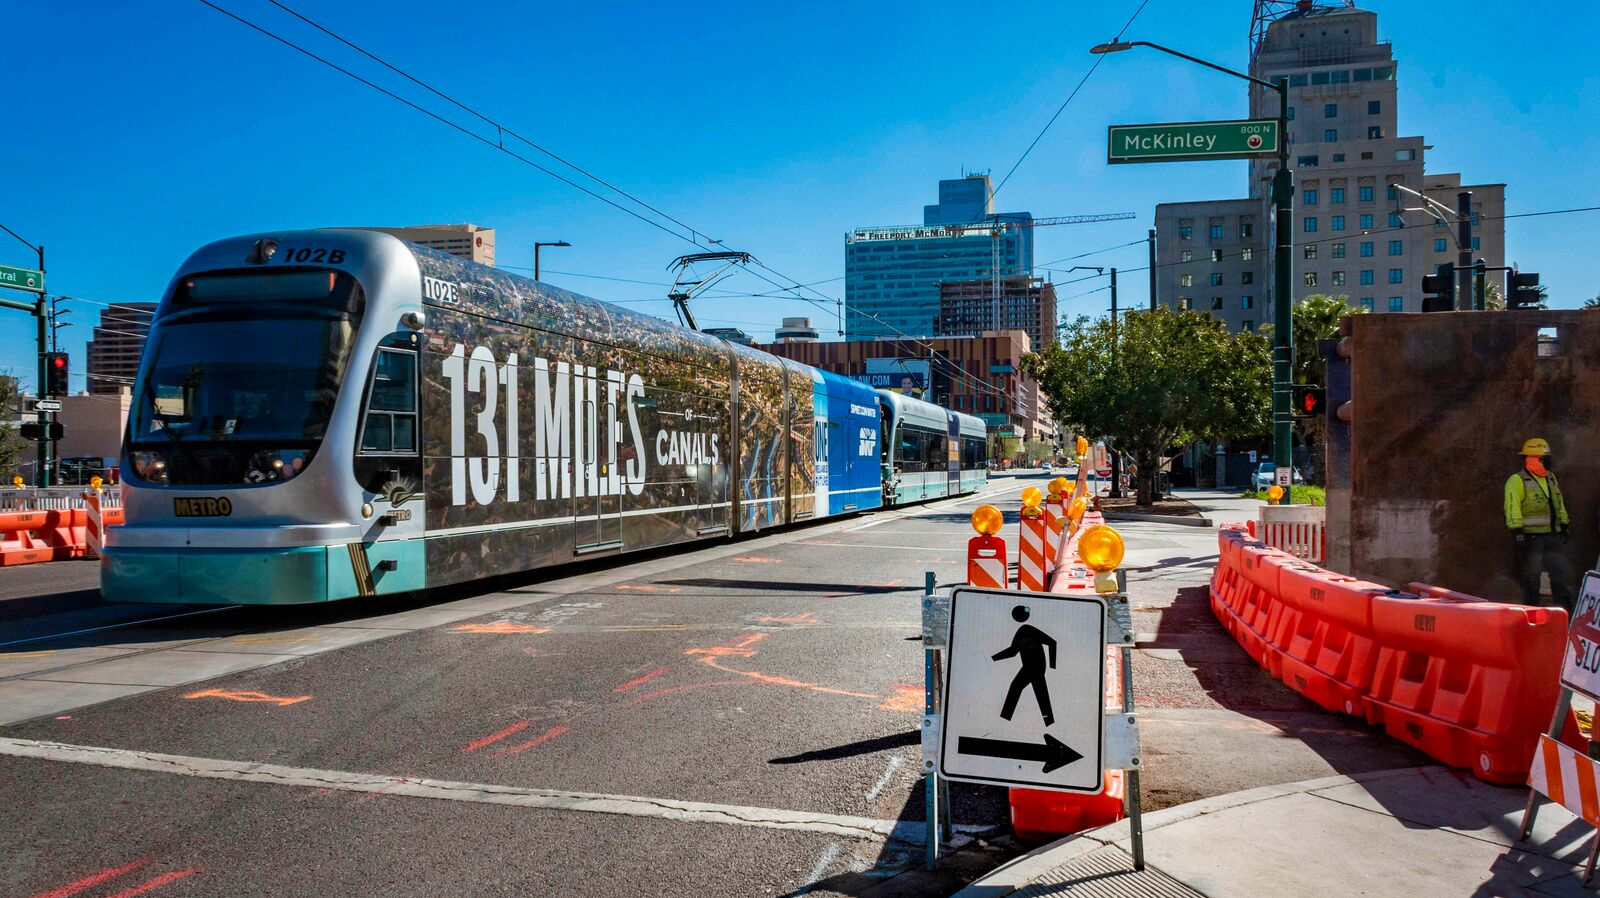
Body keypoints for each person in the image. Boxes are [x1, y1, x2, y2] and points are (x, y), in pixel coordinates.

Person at [1504, 437, 1573, 609]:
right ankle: (1531, 611)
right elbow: (1512, 506)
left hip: (1552, 535)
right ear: (1534, 459)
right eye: (1546, 458)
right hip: (1531, 537)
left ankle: (1563, 611)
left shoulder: (1551, 478)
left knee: (1560, 574)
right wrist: (1517, 531)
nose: (1549, 461)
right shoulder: (1517, 480)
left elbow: (1558, 502)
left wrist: (1564, 524)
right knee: (1531, 577)